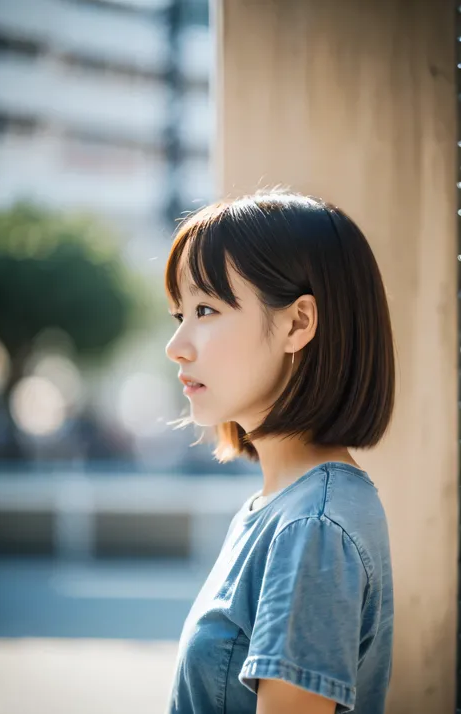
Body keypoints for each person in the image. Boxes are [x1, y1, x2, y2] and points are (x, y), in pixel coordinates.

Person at [164, 190, 395, 714]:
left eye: (205, 309)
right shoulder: (286, 507)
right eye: (179, 314)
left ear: (298, 323)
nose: (176, 344)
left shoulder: (312, 527)